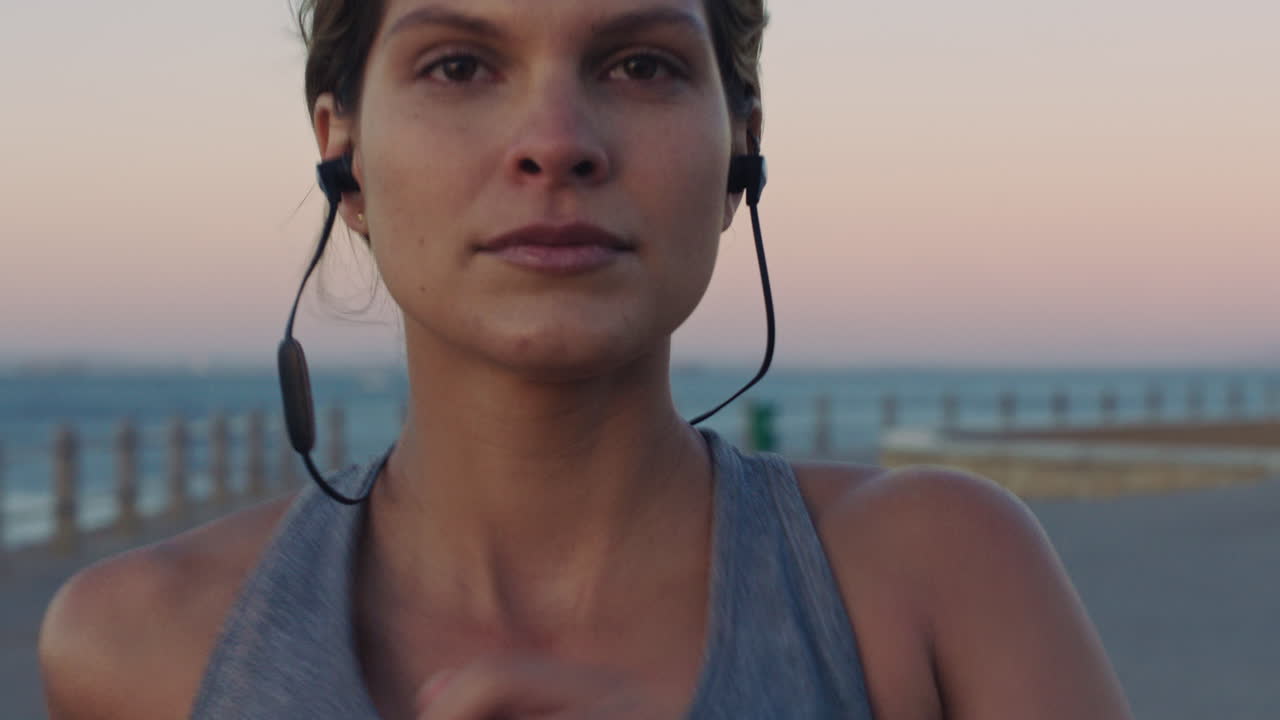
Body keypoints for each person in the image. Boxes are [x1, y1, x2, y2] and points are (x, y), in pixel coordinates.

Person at [38, 1, 1133, 718]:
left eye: (641, 64)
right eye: (459, 64)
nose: (555, 138)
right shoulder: (136, 646)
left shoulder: (940, 579)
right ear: (344, 155)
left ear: (739, 153)